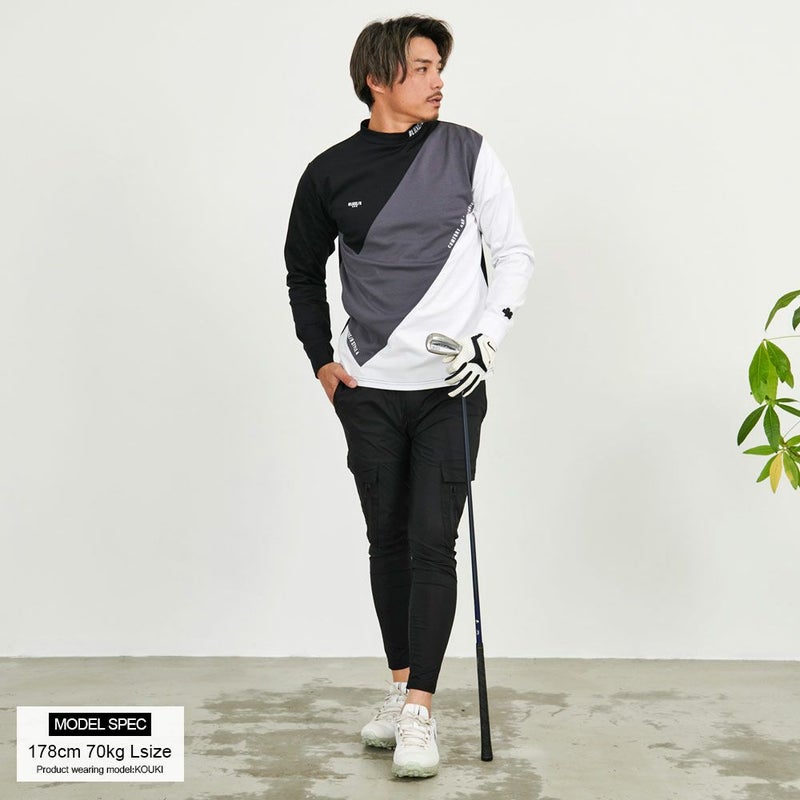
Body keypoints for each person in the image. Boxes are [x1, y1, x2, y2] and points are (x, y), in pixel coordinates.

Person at [284, 14, 534, 779]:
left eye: (438, 67)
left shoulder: (467, 151)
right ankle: (400, 691)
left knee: (432, 541)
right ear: (377, 77)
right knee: (387, 542)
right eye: (421, 67)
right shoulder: (329, 172)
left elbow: (513, 253)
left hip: (450, 389)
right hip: (370, 391)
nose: (437, 80)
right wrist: (323, 363)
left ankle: (420, 712)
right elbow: (302, 272)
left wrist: (487, 338)